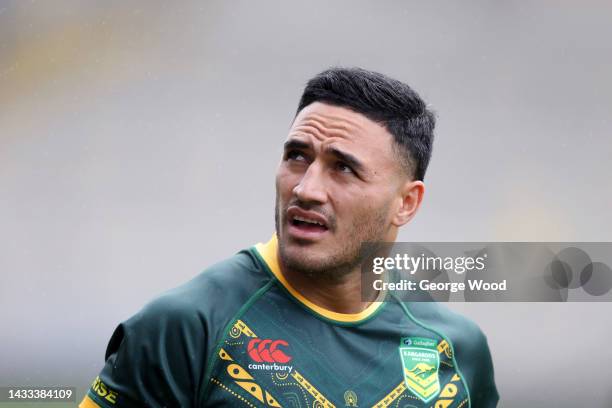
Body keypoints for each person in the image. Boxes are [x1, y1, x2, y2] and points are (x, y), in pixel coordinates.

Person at [80, 67, 498, 408]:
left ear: (406, 203)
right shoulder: (186, 329)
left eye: (343, 168)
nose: (305, 189)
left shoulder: (456, 351)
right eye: (297, 157)